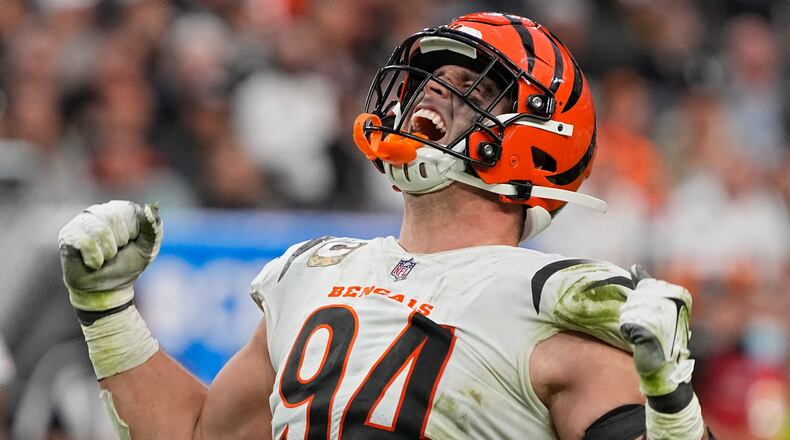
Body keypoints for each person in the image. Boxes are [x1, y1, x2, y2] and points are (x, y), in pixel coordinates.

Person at [57, 12, 715, 439]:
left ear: (540, 137)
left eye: (473, 88)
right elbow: (200, 433)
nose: (430, 91)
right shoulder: (311, 271)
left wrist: (673, 410)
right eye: (431, 77)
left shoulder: (555, 299)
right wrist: (107, 311)